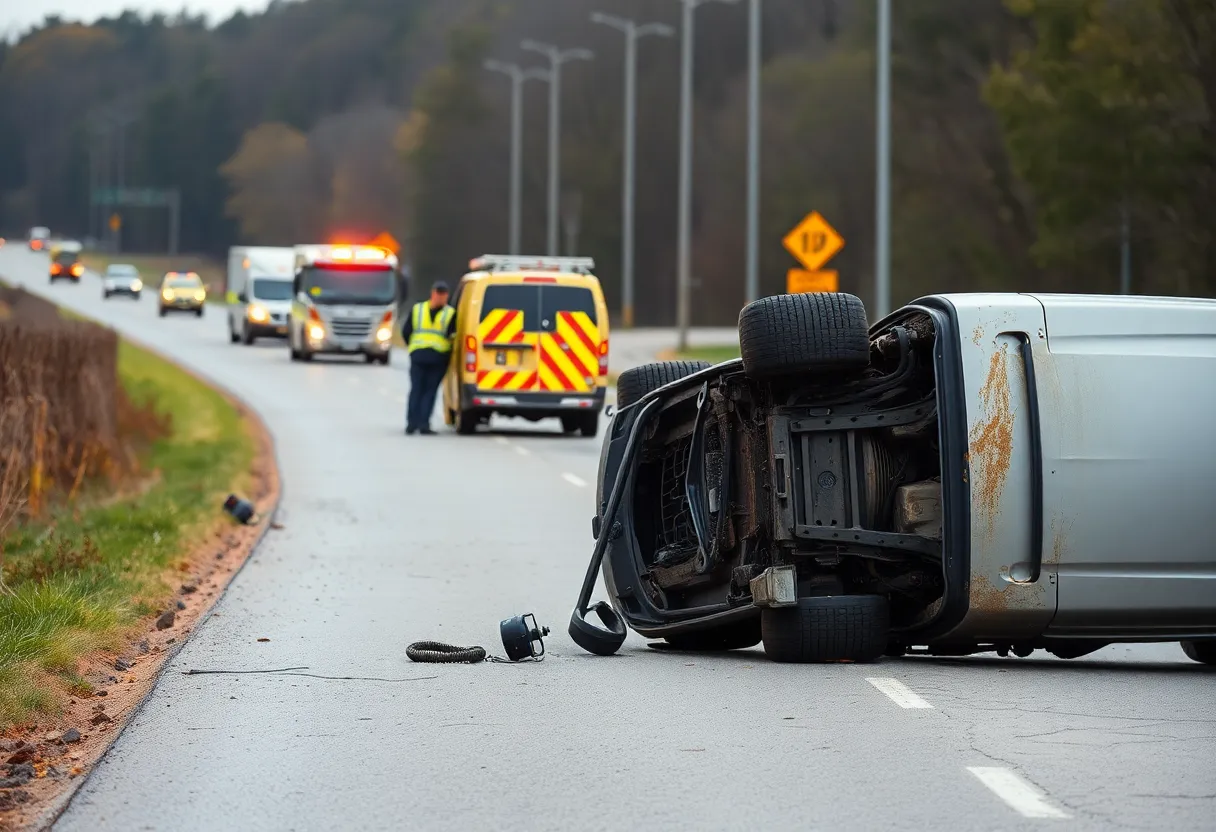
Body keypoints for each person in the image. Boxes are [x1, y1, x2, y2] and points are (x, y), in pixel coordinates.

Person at [402, 281, 456, 435]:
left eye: (443, 295)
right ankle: (416, 424)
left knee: (426, 391)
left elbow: (407, 332)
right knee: (421, 390)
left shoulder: (448, 313)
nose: (441, 298)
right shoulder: (421, 310)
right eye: (439, 294)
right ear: (433, 294)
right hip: (427, 356)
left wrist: (413, 347)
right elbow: (406, 331)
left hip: (434, 358)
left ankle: (418, 424)